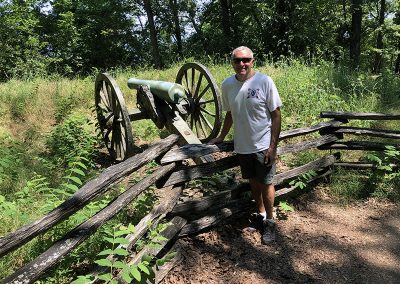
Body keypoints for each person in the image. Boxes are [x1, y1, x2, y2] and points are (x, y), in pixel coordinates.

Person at [209, 46, 282, 244]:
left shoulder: (264, 81)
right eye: (238, 60)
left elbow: (276, 115)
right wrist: (221, 136)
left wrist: (272, 146)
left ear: (252, 60)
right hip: (242, 145)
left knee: (266, 183)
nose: (242, 64)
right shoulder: (227, 85)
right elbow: (230, 114)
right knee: (253, 181)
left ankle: (270, 222)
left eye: (246, 60)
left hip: (262, 144)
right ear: (232, 62)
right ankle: (260, 216)